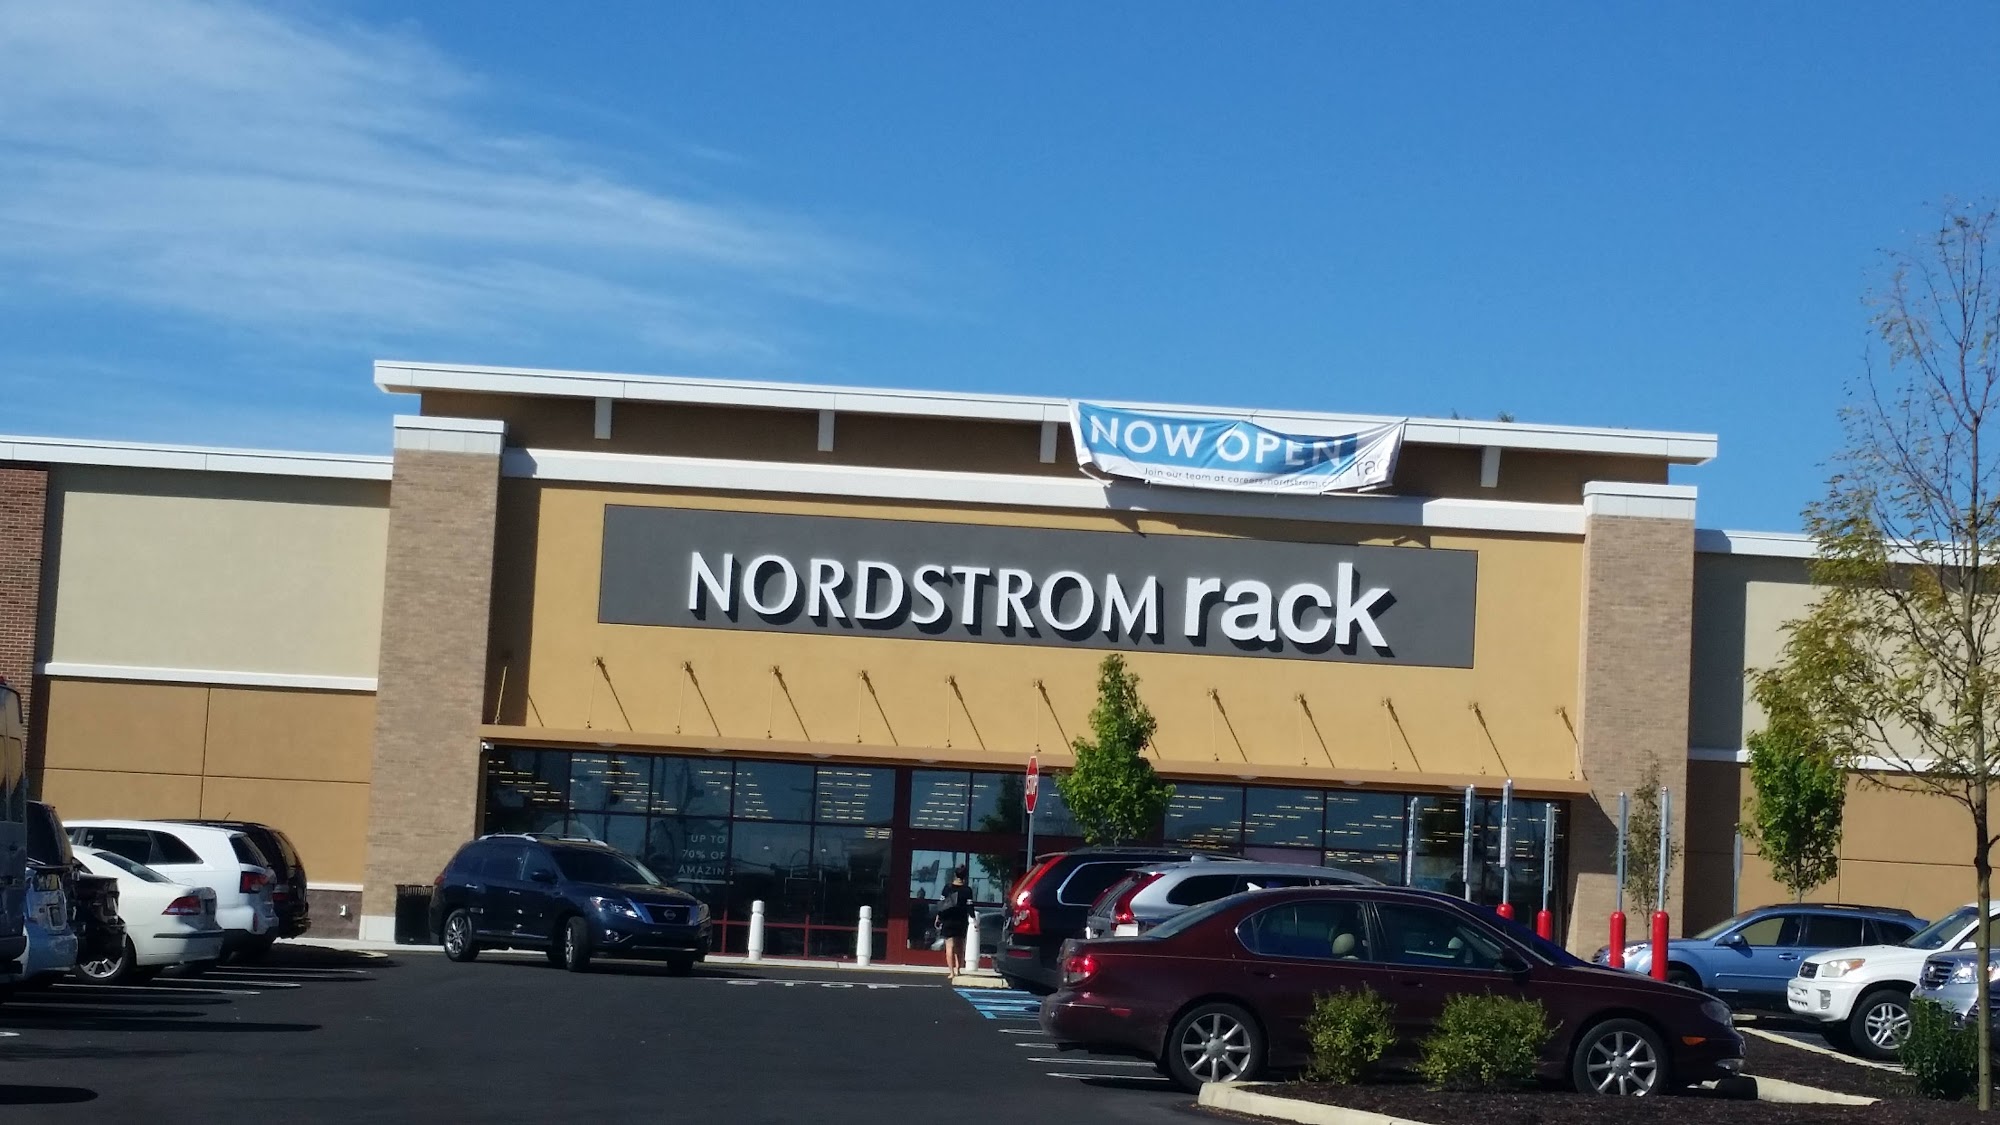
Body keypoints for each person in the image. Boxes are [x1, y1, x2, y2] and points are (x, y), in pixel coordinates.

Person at [935, 866, 974, 976]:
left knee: (949, 946)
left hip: (948, 919)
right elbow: (970, 906)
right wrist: (974, 919)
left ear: (955, 875)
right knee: (960, 946)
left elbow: (942, 904)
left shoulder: (947, 888)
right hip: (961, 919)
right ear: (965, 876)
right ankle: (958, 969)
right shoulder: (967, 890)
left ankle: (951, 972)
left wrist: (939, 917)